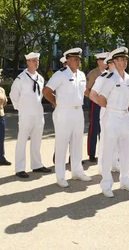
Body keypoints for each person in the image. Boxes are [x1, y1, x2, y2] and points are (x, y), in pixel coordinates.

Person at [43, 47, 92, 188]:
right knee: (62, 144)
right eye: (75, 59)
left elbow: (85, 92)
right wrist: (55, 102)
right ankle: (60, 176)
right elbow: (46, 91)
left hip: (78, 112)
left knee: (77, 143)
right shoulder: (61, 74)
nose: (78, 61)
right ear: (68, 60)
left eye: (79, 59)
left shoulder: (82, 75)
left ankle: (77, 171)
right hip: (63, 112)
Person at [96, 47, 129, 197]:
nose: (124, 62)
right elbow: (101, 99)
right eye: (121, 59)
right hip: (112, 115)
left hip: (125, 116)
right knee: (109, 150)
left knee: (127, 150)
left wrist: (123, 106)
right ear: (114, 61)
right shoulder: (110, 78)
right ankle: (106, 184)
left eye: (125, 59)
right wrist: (113, 108)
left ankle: (125, 180)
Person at [9, 52, 51, 178]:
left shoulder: (40, 78)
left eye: (37, 60)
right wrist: (20, 108)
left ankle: (37, 164)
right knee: (22, 141)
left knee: (37, 141)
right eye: (33, 60)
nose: (36, 62)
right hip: (26, 115)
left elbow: (40, 96)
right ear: (28, 62)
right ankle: (20, 168)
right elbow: (13, 95)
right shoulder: (21, 78)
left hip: (38, 114)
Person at [85, 52, 109, 163]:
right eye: (104, 60)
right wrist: (95, 99)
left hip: (106, 103)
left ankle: (104, 152)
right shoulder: (93, 74)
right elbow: (86, 90)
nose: (106, 62)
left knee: (105, 128)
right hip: (95, 103)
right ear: (99, 61)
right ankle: (92, 153)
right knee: (94, 127)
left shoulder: (110, 73)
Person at [0, 69, 12, 166]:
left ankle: (1, 158)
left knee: (0, 138)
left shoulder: (1, 90)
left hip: (0, 116)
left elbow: (5, 102)